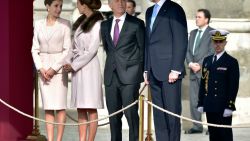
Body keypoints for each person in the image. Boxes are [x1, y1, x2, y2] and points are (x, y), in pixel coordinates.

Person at [144, 0, 188, 141]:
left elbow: (180, 39)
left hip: (170, 72)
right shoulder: (149, 11)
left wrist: (176, 69)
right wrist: (146, 68)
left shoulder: (174, 9)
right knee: (159, 115)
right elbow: (148, 42)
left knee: (172, 115)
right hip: (153, 70)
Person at [101, 0, 145, 140]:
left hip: (130, 76)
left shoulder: (136, 24)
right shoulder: (105, 25)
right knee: (113, 115)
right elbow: (109, 49)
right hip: (111, 76)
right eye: (116, 0)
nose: (120, 3)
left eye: (122, 0)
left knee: (131, 113)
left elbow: (142, 49)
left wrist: (141, 72)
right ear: (110, 4)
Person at [63, 0, 104, 141]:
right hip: (78, 69)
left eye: (78, 3)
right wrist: (68, 62)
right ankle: (82, 139)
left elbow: (92, 50)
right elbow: (73, 47)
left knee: (91, 106)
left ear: (84, 5)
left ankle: (90, 139)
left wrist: (74, 65)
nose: (77, 6)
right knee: (81, 107)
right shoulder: (80, 22)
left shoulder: (98, 23)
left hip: (89, 69)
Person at [31, 0, 71, 141]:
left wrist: (54, 69)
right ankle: (50, 139)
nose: (58, 9)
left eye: (60, 6)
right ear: (47, 6)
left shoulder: (65, 24)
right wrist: (41, 68)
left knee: (60, 107)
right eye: (55, 6)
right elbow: (34, 49)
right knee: (48, 107)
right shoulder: (38, 24)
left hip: (59, 72)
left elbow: (67, 51)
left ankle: (58, 139)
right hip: (43, 71)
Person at [197, 29, 240, 141]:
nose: (218, 44)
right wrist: (201, 102)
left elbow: (233, 86)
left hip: (223, 106)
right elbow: (203, 83)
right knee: (213, 135)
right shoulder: (207, 60)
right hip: (210, 104)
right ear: (212, 42)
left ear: (225, 42)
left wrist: (230, 106)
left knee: (224, 135)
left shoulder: (231, 62)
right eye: (215, 41)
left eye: (220, 42)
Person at [185, 9, 214, 134]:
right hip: (193, 72)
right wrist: (191, 63)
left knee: (209, 100)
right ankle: (197, 127)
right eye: (196, 17)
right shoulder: (192, 33)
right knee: (194, 101)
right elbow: (186, 50)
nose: (196, 19)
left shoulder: (213, 33)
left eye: (199, 17)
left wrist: (200, 65)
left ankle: (213, 127)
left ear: (206, 19)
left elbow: (212, 52)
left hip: (207, 72)